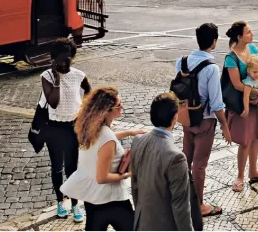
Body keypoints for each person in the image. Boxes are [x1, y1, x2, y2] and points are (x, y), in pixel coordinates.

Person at [60, 87, 145, 231]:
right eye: (119, 105)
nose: (122, 107)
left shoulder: (90, 129)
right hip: (109, 198)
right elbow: (102, 177)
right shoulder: (107, 138)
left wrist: (129, 132)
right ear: (107, 111)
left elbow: (105, 139)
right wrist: (128, 174)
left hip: (91, 195)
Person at [174, 24, 231, 218]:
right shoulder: (212, 68)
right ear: (214, 42)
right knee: (199, 165)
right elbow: (216, 103)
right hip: (204, 120)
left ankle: (181, 199)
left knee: (185, 160)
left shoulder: (181, 62)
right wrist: (224, 125)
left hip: (186, 118)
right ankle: (198, 206)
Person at [42, 38, 91, 223]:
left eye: (68, 59)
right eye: (60, 60)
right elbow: (53, 102)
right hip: (54, 127)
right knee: (57, 167)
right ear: (53, 60)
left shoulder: (79, 75)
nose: (65, 64)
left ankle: (76, 204)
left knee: (72, 167)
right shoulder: (46, 76)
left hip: (73, 126)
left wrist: (84, 110)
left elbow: (88, 90)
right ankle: (60, 201)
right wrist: (56, 78)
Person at [130, 93, 194, 231]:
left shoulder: (138, 140)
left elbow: (135, 186)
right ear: (174, 118)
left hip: (142, 222)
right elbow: (181, 205)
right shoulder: (176, 157)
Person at [223, 21, 258, 192]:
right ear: (239, 36)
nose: (252, 34)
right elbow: (237, 85)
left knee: (256, 137)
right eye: (248, 32)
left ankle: (253, 171)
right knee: (244, 141)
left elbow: (257, 70)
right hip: (242, 103)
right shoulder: (231, 58)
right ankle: (240, 176)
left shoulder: (251, 50)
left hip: (255, 104)